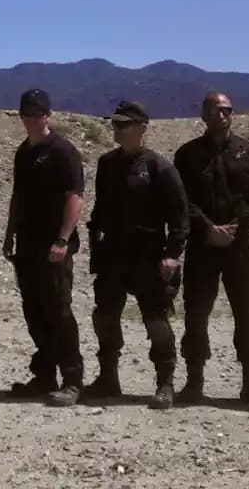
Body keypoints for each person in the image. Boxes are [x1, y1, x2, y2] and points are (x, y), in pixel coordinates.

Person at [172, 92, 249, 406]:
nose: (222, 115)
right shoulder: (188, 155)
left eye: (227, 110)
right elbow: (182, 199)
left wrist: (234, 227)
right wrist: (208, 228)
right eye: (216, 110)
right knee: (196, 314)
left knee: (247, 314)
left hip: (239, 247)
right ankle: (194, 382)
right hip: (202, 246)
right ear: (203, 114)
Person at [83, 100, 189, 409]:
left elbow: (179, 218)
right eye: (114, 124)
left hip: (149, 255)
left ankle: (165, 383)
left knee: (156, 321)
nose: (117, 130)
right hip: (114, 254)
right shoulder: (107, 164)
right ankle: (108, 377)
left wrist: (172, 254)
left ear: (142, 128)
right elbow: (100, 210)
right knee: (104, 316)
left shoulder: (159, 167)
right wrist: (96, 240)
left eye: (123, 125)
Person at [2, 88, 86, 407]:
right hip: (27, 244)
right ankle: (45, 374)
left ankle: (73, 378)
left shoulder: (62, 151)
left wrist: (63, 239)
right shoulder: (24, 152)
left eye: (37, 114)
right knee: (34, 310)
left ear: (47, 115)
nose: (31, 120)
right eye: (26, 114)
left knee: (58, 311)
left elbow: (74, 196)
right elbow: (17, 196)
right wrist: (10, 234)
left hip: (54, 245)